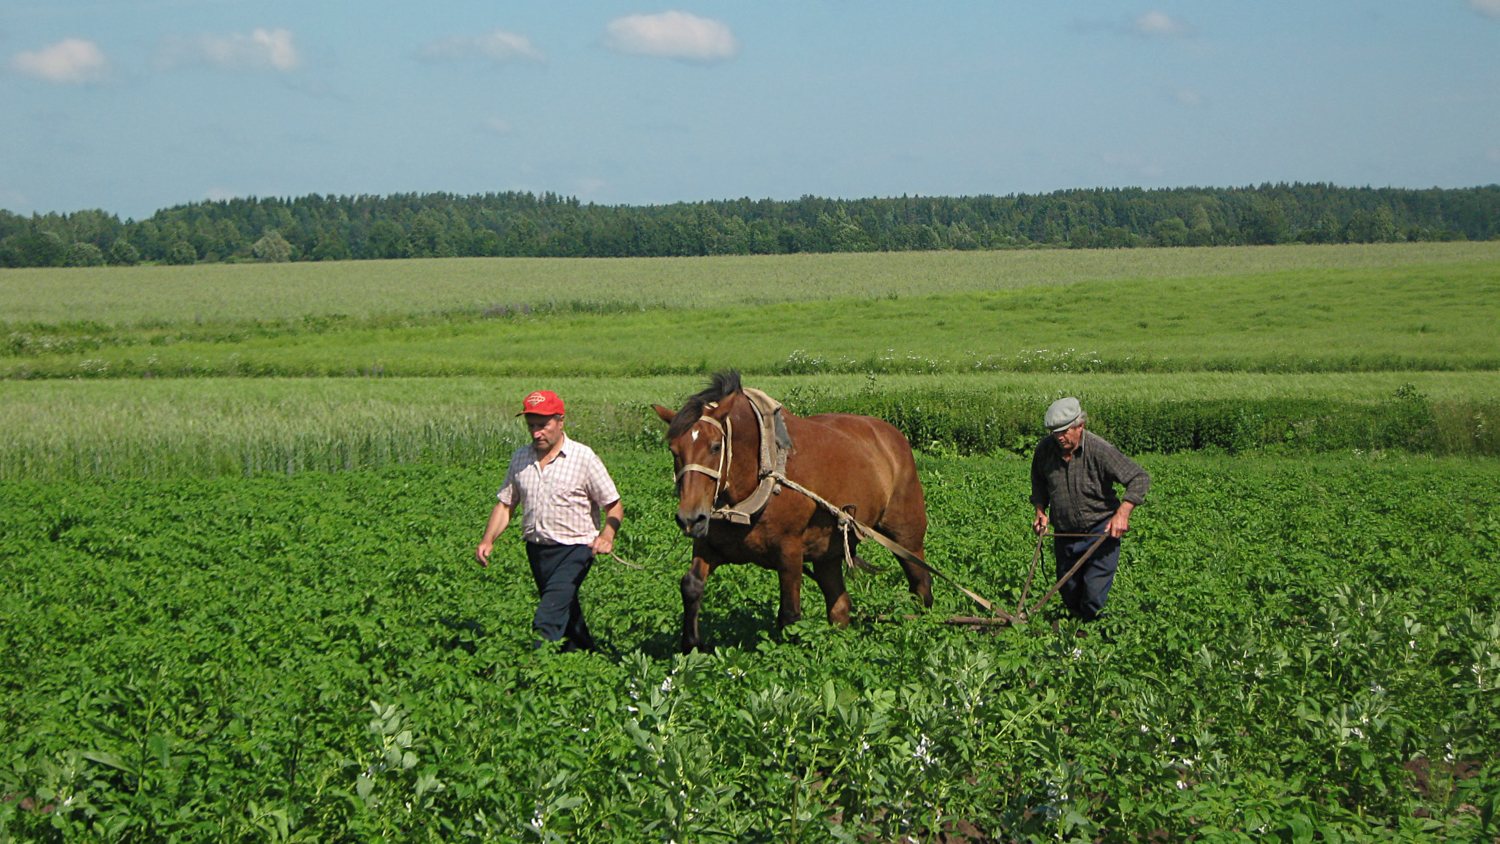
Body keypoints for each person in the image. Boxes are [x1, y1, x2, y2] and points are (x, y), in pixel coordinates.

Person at [476, 390, 623, 652]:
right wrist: (488, 539)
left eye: (543, 425)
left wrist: (607, 535)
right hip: (537, 550)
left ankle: (536, 669)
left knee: (549, 614)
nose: (536, 433)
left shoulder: (583, 458)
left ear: (560, 421)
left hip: (576, 550)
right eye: (531, 425)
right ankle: (586, 654)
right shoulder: (520, 458)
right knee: (565, 609)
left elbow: (614, 505)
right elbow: (506, 504)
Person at [1030, 397, 1150, 622]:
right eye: (1055, 432)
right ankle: (1073, 639)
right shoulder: (1045, 450)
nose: (1060, 437)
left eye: (1064, 431)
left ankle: (1093, 640)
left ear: (1080, 426)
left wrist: (1122, 514)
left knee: (1093, 594)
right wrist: (1040, 511)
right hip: (1065, 533)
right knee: (1069, 593)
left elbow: (1140, 478)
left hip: (1100, 533)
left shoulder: (1099, 449)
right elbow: (1038, 483)